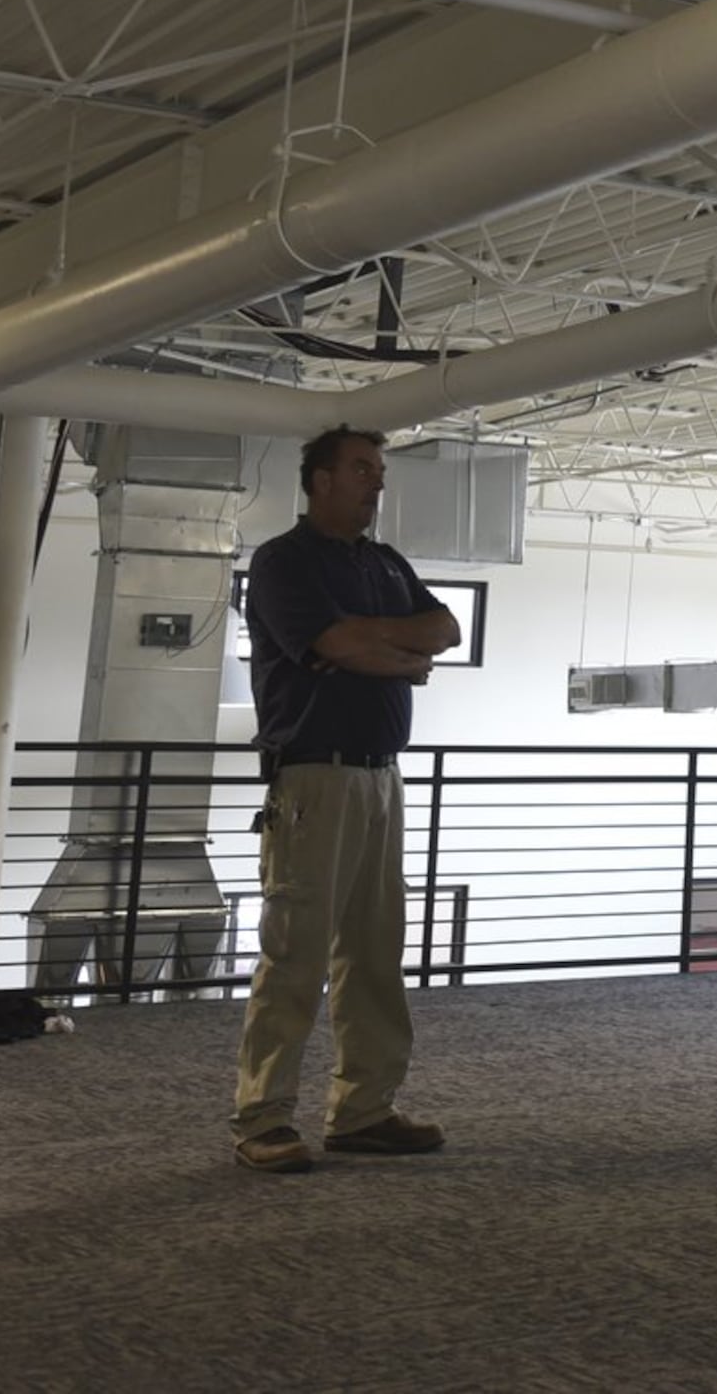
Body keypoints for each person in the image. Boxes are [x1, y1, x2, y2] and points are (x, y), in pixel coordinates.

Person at [228, 426, 462, 1174]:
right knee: (294, 954)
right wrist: (393, 654)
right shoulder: (282, 563)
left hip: (380, 778)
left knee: (374, 952)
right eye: (362, 470)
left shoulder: (385, 563)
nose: (377, 483)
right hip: (313, 779)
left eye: (379, 471)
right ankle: (263, 1118)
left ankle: (364, 1111)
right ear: (319, 479)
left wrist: (375, 643)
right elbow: (334, 646)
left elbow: (447, 628)